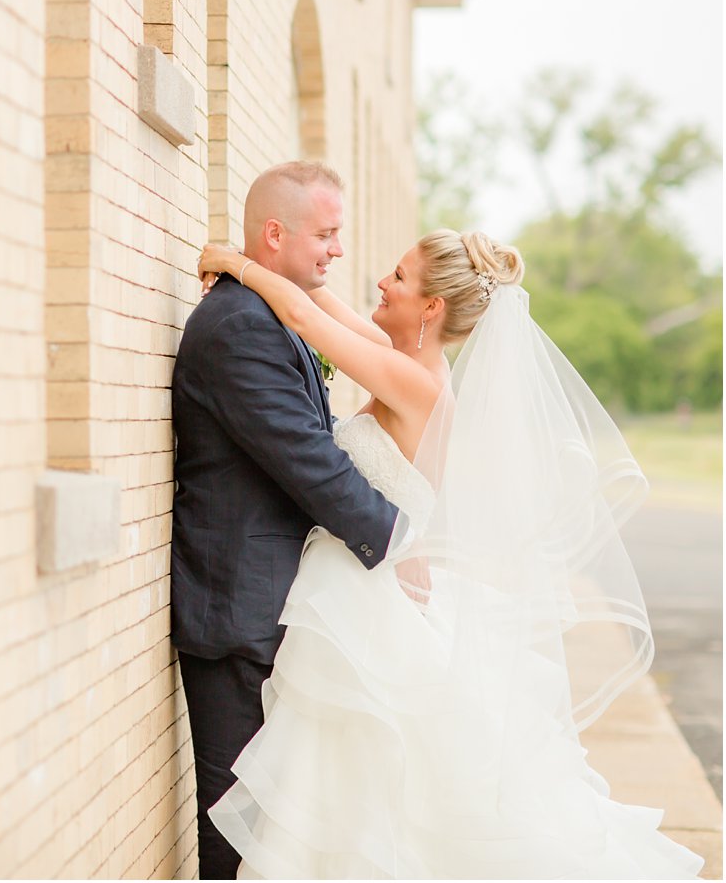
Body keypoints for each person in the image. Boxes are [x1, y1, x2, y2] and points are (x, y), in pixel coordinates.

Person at [194, 229, 705, 878]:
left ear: (431, 308)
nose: (383, 282)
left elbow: (301, 316)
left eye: (400, 277)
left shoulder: (415, 382)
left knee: (360, 785)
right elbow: (320, 304)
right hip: (371, 581)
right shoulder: (406, 362)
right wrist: (292, 258)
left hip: (365, 598)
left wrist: (232, 262)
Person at [169, 161, 400, 880]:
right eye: (326, 235)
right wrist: (399, 539)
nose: (337, 251)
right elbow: (308, 462)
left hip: (269, 607)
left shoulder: (269, 311)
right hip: (240, 611)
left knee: (278, 823)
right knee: (243, 830)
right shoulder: (241, 326)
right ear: (276, 234)